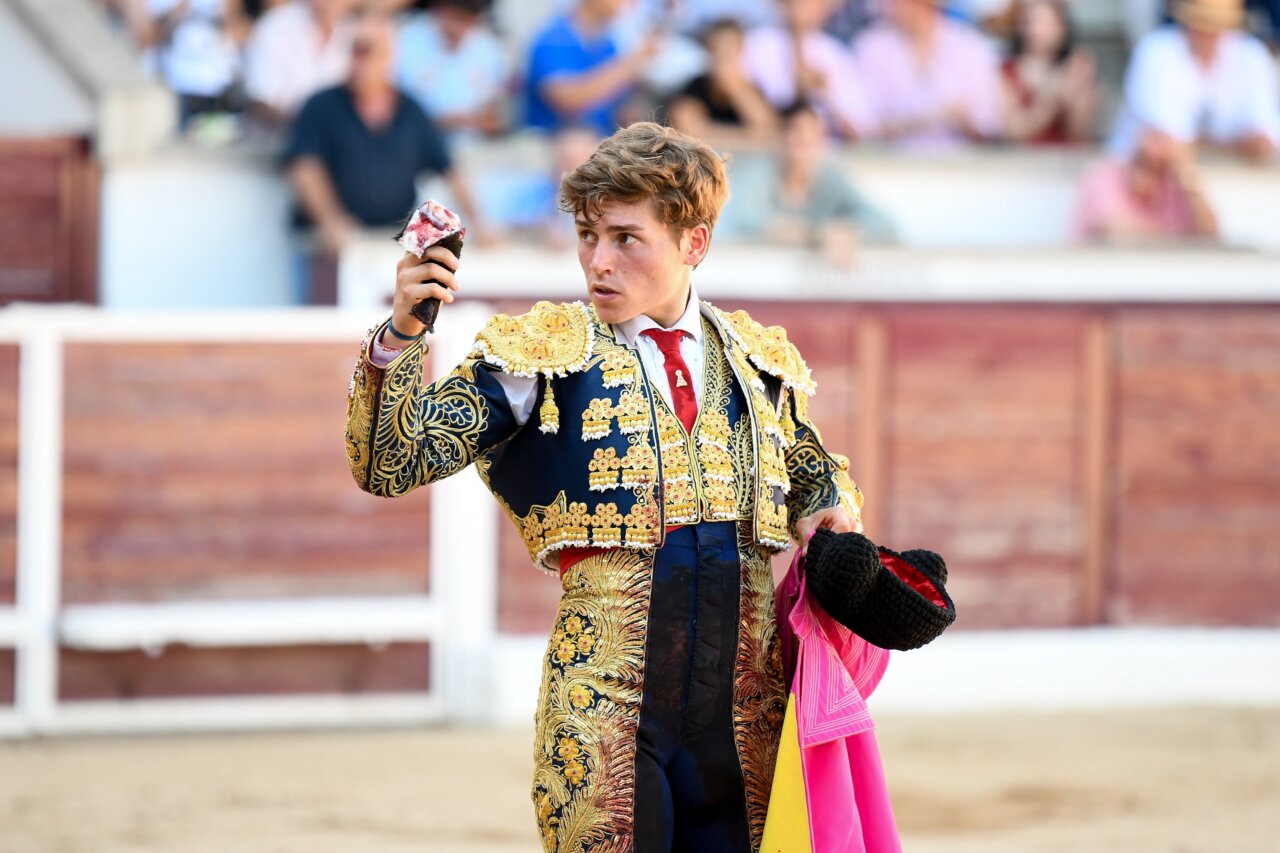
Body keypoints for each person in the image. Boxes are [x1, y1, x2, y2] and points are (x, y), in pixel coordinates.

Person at [344, 122, 867, 851]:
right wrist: (401, 336)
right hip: (605, 715)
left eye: (626, 237)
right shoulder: (541, 354)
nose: (598, 261)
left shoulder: (757, 362)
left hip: (746, 720)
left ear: (695, 243)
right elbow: (391, 459)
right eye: (588, 236)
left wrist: (830, 515)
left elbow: (815, 474)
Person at [283, 11, 485, 300]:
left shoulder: (411, 110)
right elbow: (304, 167)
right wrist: (331, 221)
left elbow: (448, 168)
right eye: (354, 50)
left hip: (392, 249)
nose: (358, 60)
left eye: (366, 50)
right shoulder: (321, 106)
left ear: (389, 55)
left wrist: (481, 224)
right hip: (329, 252)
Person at [718, 101, 896, 265]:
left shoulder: (831, 179)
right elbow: (748, 223)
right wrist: (817, 235)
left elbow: (884, 225)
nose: (802, 142)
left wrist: (845, 231)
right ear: (780, 137)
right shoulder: (759, 172)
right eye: (796, 133)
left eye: (811, 136)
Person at [1109, 0, 1280, 163]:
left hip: (1227, 180)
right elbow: (1164, 141)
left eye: (1214, 25)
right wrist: (1235, 144)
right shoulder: (1156, 51)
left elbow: (1266, 137)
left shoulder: (1252, 56)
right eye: (1201, 23)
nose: (1207, 33)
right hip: (1146, 180)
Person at [851, 0, 1003, 146]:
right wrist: (931, 119)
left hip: (961, 166)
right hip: (887, 165)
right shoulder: (872, 46)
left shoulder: (971, 47)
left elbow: (987, 127)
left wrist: (962, 120)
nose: (888, 7)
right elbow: (865, 125)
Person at [741, 0, 877, 140]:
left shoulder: (834, 55)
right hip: (767, 147)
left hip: (826, 151)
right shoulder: (755, 44)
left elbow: (860, 129)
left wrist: (824, 91)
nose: (801, 8)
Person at [521, 0, 661, 136]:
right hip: (552, 141)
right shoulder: (554, 39)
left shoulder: (608, 44)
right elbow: (568, 101)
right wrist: (633, 62)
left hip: (601, 140)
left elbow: (620, 107)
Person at [1075, 129, 1220, 244]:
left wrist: (1186, 172)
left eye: (1155, 169)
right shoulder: (1105, 175)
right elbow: (1117, 230)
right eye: (1141, 162)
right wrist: (1177, 239)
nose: (1145, 176)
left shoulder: (1175, 185)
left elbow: (1211, 235)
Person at [395, 0, 508, 140]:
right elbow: (395, 112)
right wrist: (444, 121)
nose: (461, 27)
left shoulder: (486, 46)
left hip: (473, 147)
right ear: (440, 9)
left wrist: (485, 120)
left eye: (469, 19)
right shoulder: (408, 42)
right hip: (420, 147)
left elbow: (493, 107)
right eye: (457, 16)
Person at [243, 0, 357, 133]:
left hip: (342, 144)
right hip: (282, 142)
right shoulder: (275, 27)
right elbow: (260, 102)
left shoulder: (358, 33)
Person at [667, 18, 780, 148]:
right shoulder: (695, 88)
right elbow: (686, 129)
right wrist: (746, 136)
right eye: (719, 48)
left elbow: (769, 130)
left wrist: (735, 89)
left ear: (741, 49)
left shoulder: (754, 88)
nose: (724, 54)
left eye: (730, 48)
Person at [1001, 0, 1098, 144]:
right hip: (1022, 159)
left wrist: (1078, 95)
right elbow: (1012, 131)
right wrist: (1053, 102)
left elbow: (1079, 132)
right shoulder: (1007, 70)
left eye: (1045, 22)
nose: (1037, 30)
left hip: (1067, 159)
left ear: (1062, 26)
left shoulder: (1077, 66)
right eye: (1032, 22)